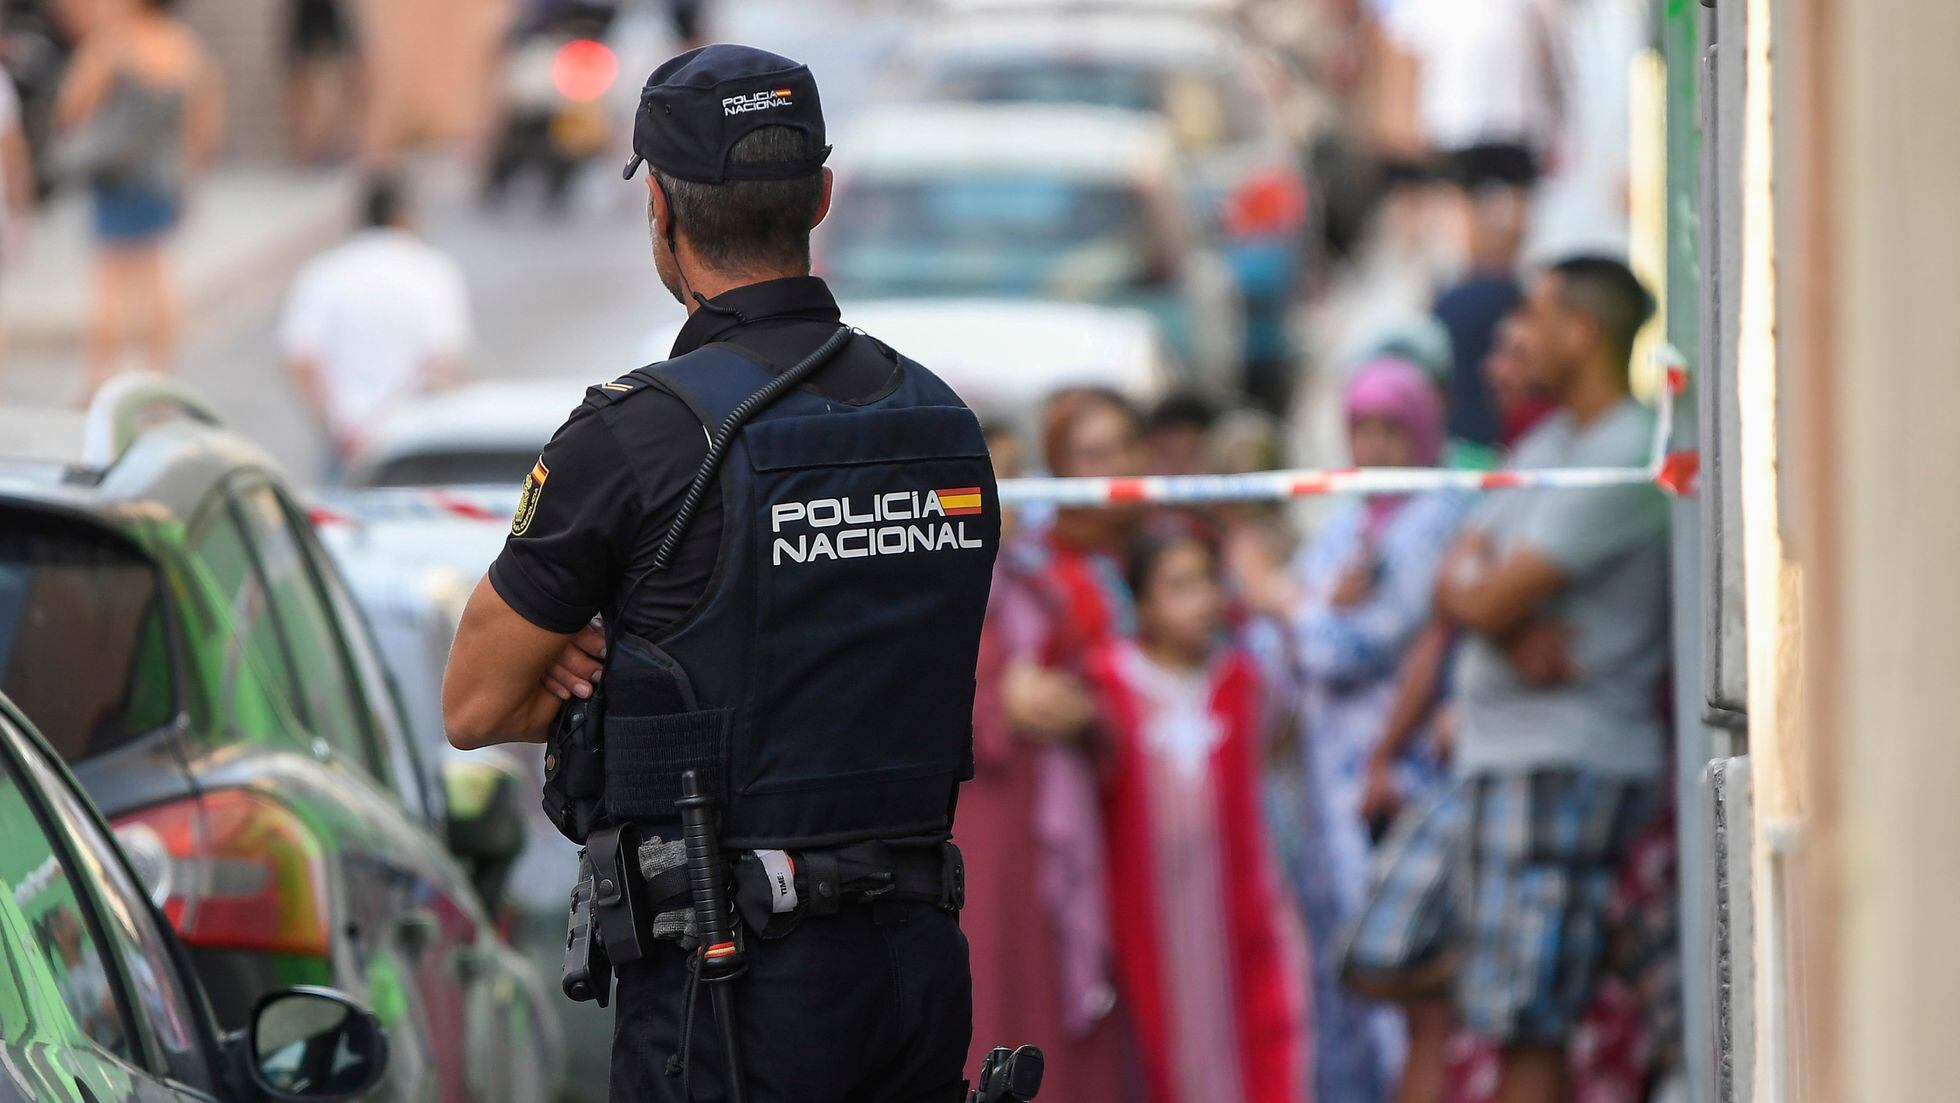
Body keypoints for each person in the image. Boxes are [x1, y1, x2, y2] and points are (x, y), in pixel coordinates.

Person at [440, 45, 999, 1103]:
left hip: (732, 992)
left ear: (658, 208)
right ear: (821, 196)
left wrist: (604, 674)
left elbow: (473, 703)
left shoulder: (635, 437)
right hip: (918, 974)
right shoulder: (942, 424)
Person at [1428, 255, 1668, 1103]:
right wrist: (1499, 615)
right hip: (1514, 761)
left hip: (1563, 763)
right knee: (1501, 1012)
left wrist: (1493, 608)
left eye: (1535, 314)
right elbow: (1454, 567)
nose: (1520, 335)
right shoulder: (1553, 438)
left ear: (1582, 330)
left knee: (1528, 1022)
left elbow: (1483, 589)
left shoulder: (1625, 450)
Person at [1244, 357, 1467, 1103]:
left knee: (1395, 971)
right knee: (1339, 977)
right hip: (1325, 783)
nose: (1374, 444)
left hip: (1394, 781)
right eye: (1360, 427)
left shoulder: (1433, 517)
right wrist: (1306, 606)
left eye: (1390, 427)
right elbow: (1284, 647)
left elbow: (1350, 647)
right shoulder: (1349, 521)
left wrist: (1285, 599)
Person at [1088, 525, 1308, 1103]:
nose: (1203, 601)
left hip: (1238, 908)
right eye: (1179, 586)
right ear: (1142, 602)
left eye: (1208, 581)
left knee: (1256, 1039)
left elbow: (1281, 754)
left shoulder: (1243, 683)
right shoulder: (1108, 683)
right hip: (1143, 915)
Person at [54, 0, 221, 390]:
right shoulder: (184, 45)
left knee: (110, 278)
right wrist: (191, 172)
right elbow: (202, 121)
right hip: (162, 174)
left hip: (116, 174)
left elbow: (72, 103)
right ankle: (161, 370)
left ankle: (100, 374)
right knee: (158, 271)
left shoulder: (113, 43)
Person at [281, 177, 472, 472]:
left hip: (342, 443)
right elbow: (443, 361)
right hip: (410, 447)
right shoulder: (431, 271)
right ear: (405, 216)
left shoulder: (324, 272)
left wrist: (341, 426)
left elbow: (301, 359)